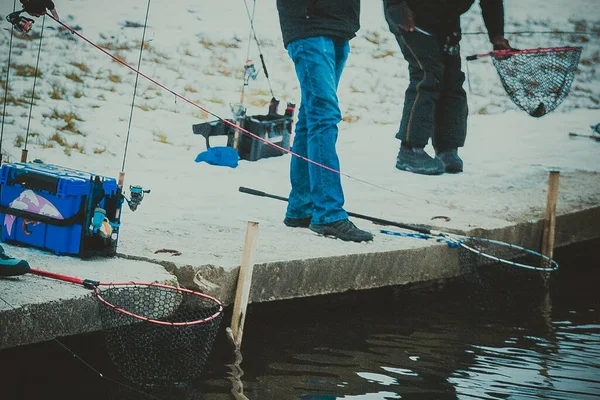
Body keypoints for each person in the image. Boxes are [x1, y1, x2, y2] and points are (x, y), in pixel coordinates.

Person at [276, 0, 373, 242]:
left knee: (311, 118)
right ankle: (328, 214)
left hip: (341, 26)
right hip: (308, 26)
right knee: (323, 116)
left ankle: (301, 207)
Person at [383, 0, 512, 175]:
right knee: (427, 74)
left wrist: (497, 36)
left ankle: (447, 149)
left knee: (452, 78)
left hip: (446, 18)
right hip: (409, 13)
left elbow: (491, 2)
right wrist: (397, 7)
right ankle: (410, 150)